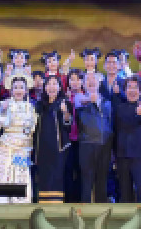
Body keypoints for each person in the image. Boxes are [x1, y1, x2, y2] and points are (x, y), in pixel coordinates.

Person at [0, 75, 38, 203]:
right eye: (15, 87)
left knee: (21, 173)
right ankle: (2, 201)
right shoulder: (3, 104)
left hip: (23, 146)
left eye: (21, 87)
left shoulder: (30, 107)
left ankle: (21, 201)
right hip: (7, 144)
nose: (18, 90)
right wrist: (3, 110)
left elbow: (32, 128)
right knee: (5, 172)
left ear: (26, 90)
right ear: (11, 90)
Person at [114, 75, 141, 203]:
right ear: (125, 91)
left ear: (140, 91)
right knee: (125, 192)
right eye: (129, 87)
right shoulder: (119, 108)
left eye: (135, 87)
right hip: (123, 155)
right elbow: (118, 128)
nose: (132, 90)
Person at [34, 74, 72, 203]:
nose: (51, 87)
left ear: (59, 87)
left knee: (57, 177)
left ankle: (57, 205)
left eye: (54, 84)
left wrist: (65, 112)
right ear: (45, 87)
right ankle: (43, 204)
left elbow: (68, 125)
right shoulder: (39, 105)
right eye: (48, 84)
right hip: (42, 148)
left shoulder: (64, 102)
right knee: (43, 177)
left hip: (58, 148)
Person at [76, 72, 113, 203]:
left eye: (94, 79)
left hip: (104, 145)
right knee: (86, 181)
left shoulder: (107, 102)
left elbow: (111, 124)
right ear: (83, 84)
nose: (91, 81)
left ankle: (102, 209)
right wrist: (91, 101)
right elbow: (79, 107)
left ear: (99, 83)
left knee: (102, 180)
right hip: (87, 145)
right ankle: (85, 209)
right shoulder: (79, 100)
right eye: (88, 79)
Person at [63, 69, 84, 202]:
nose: (75, 82)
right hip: (68, 140)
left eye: (78, 79)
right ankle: (69, 200)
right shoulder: (64, 99)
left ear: (82, 82)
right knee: (68, 170)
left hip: (82, 141)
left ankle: (80, 200)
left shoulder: (87, 97)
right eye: (72, 79)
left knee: (81, 170)